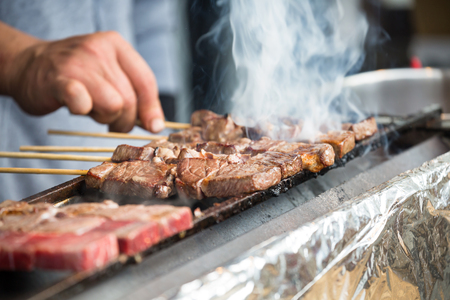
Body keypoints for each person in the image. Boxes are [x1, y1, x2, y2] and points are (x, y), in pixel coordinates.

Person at [0, 0, 183, 200]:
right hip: (21, 174)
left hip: (136, 176)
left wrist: (159, 106)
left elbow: (149, 13)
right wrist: (18, 58)